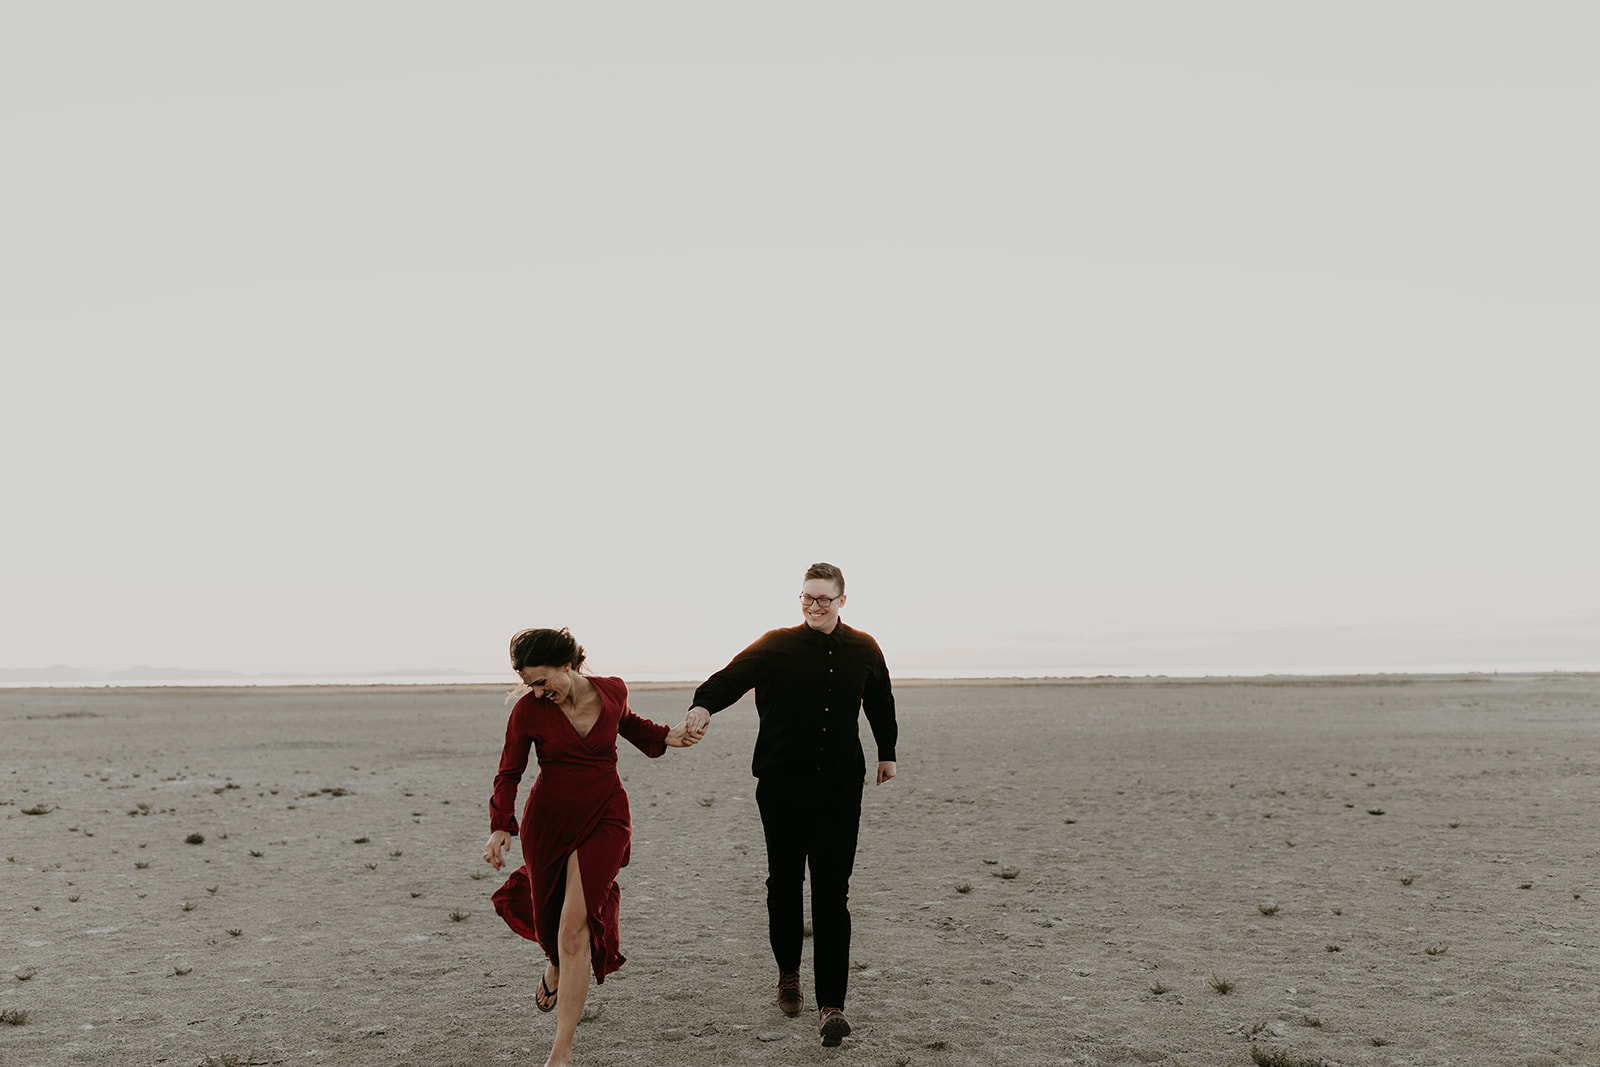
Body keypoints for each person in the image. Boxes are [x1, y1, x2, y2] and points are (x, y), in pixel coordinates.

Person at [682, 562, 898, 1048]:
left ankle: (832, 1006)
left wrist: (887, 751)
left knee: (832, 893)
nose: (815, 606)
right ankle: (788, 973)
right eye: (808, 597)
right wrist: (701, 706)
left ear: (843, 601)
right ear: (799, 599)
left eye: (825, 599)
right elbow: (729, 678)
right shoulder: (775, 643)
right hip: (781, 784)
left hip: (841, 785)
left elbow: (880, 700)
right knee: (783, 884)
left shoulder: (864, 648)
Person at [484, 627, 698, 1067]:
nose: (539, 692)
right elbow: (509, 772)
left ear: (567, 664)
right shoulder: (527, 712)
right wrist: (500, 825)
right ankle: (557, 966)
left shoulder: (612, 689)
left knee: (574, 928)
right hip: (550, 823)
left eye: (543, 681)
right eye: (530, 685)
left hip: (606, 815)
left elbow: (628, 723)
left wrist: (667, 737)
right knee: (552, 929)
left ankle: (560, 1052)